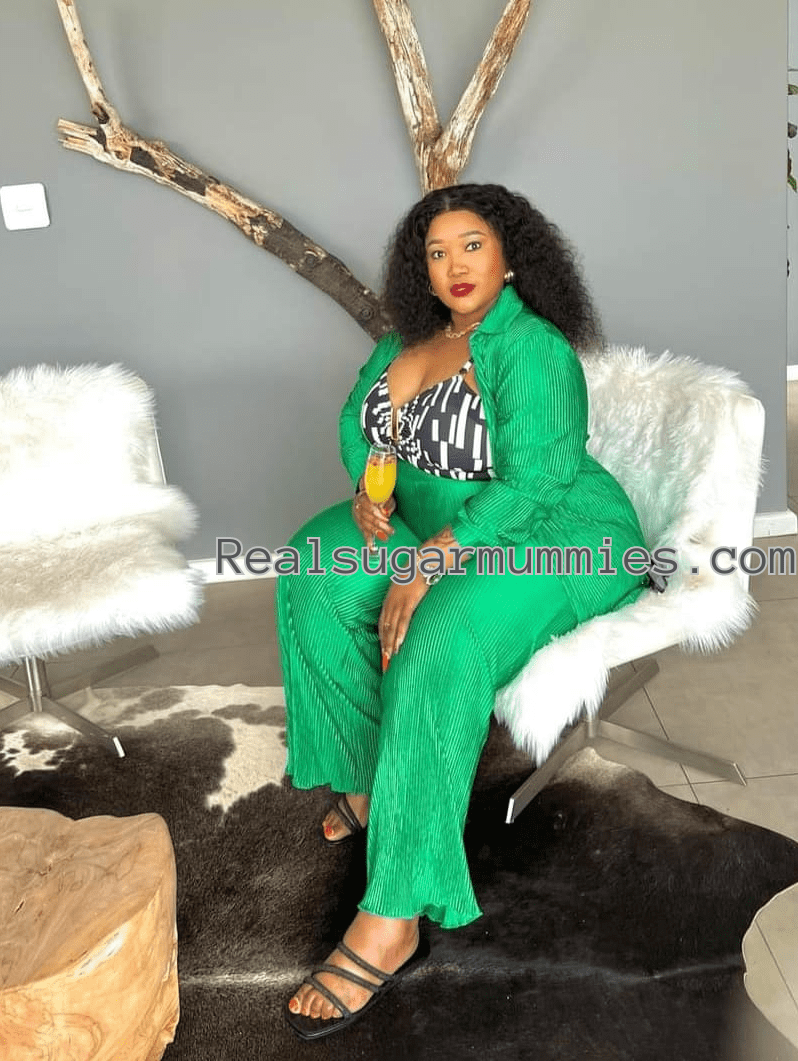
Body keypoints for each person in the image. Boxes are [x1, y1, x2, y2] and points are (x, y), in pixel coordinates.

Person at [277, 183, 648, 1040]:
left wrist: (430, 562)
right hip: (429, 517)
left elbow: (537, 480)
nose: (455, 265)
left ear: (511, 255)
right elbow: (360, 426)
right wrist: (370, 495)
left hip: (557, 532)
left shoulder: (532, 348)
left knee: (438, 635)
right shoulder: (407, 340)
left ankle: (393, 915)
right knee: (313, 572)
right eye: (437, 251)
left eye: (472, 244)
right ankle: (374, 780)